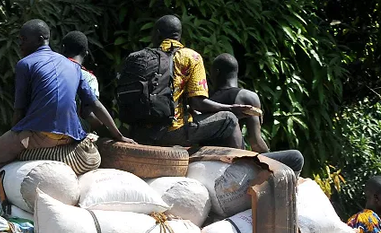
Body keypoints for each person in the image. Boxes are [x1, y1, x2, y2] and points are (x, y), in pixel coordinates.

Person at [0, 19, 132, 210]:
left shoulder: (25, 64)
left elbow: (19, 110)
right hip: (71, 137)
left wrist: (13, 138)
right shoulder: (73, 67)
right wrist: (118, 135)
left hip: (38, 135)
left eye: (24, 39)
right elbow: (95, 104)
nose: (20, 44)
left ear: (39, 39)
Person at [127, 15, 256, 148]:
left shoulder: (138, 58)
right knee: (229, 119)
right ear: (179, 35)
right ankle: (241, 163)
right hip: (171, 132)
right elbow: (197, 103)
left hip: (137, 132)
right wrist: (230, 108)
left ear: (158, 34)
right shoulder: (190, 57)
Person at [210, 53, 305, 175]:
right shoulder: (246, 97)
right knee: (296, 157)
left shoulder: (205, 100)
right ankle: (290, 190)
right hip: (234, 159)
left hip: (210, 155)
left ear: (216, 72)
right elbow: (256, 142)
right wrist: (269, 158)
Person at [61, 31, 99, 98]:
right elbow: (91, 106)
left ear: (63, 48)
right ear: (86, 53)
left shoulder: (51, 69)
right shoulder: (89, 78)